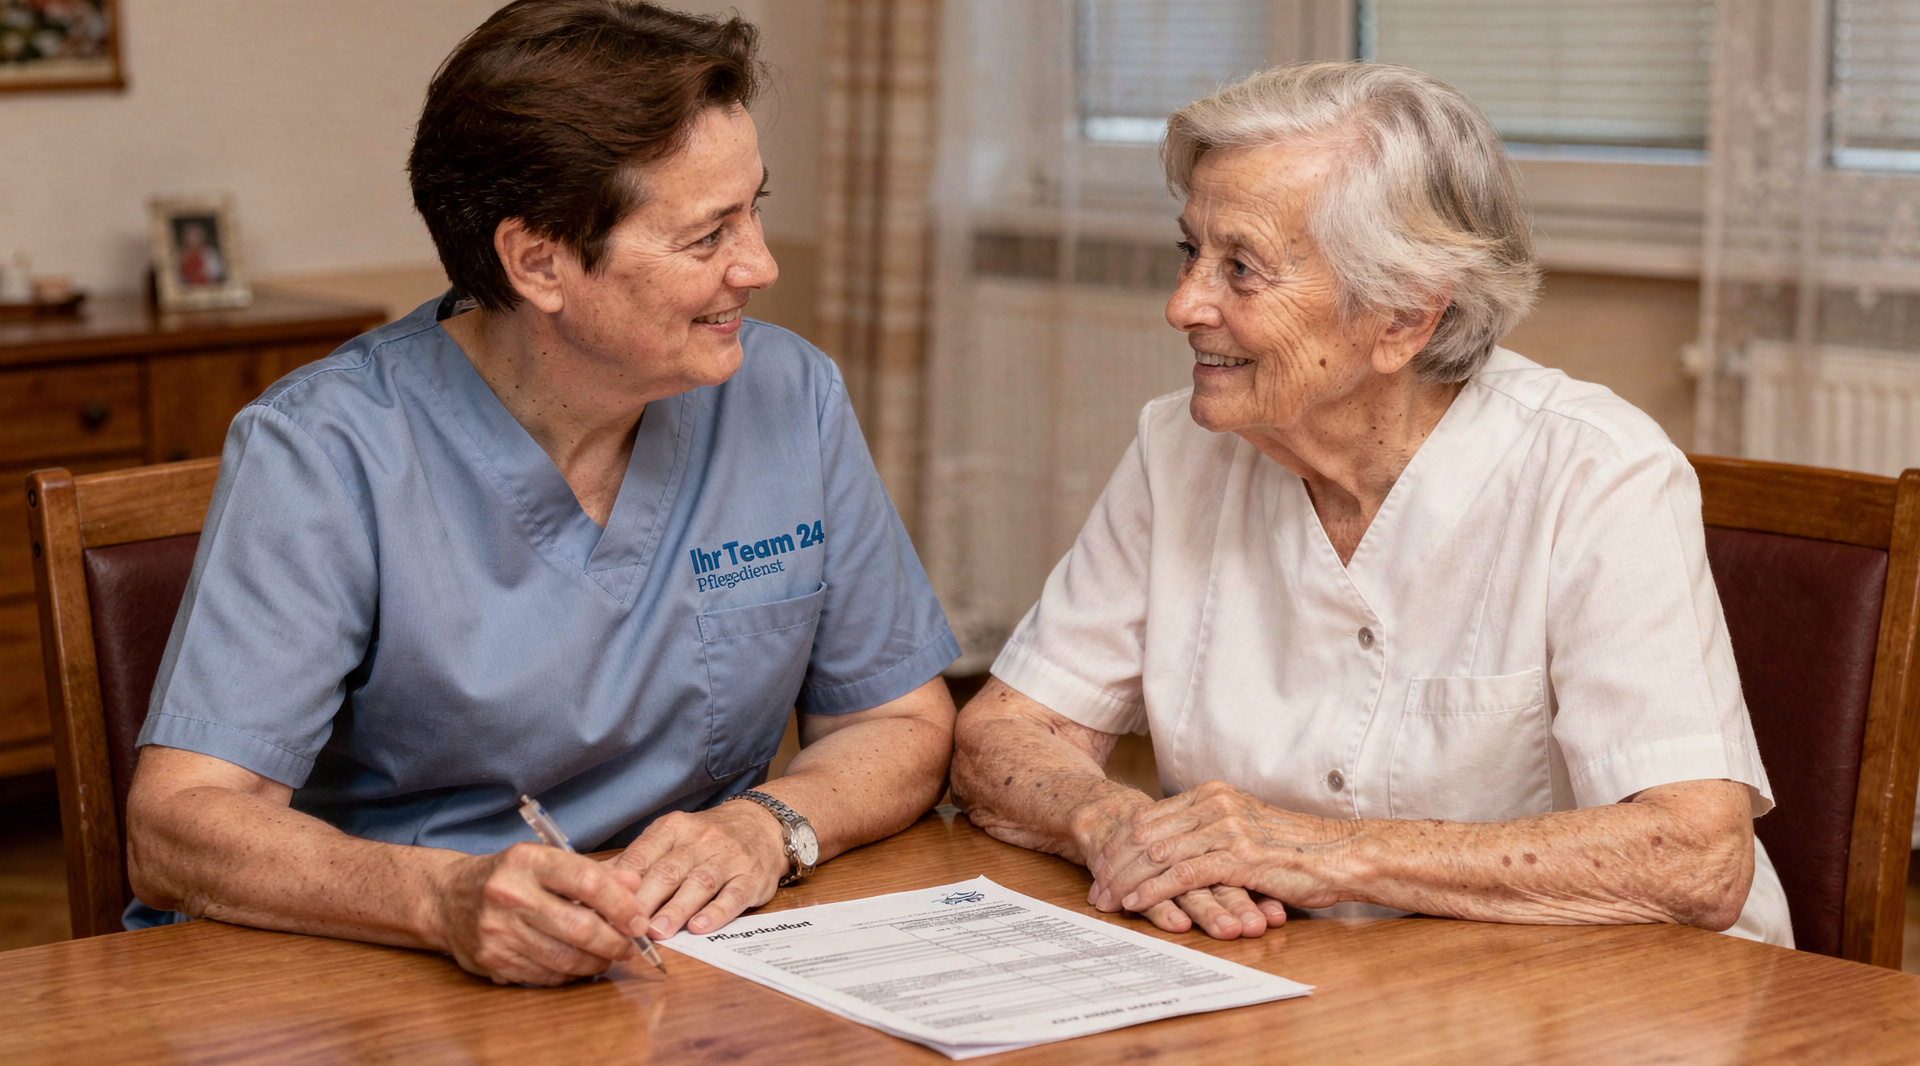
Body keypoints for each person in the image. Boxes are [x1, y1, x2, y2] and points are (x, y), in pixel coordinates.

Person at [123, 0, 960, 987]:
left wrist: (766, 824)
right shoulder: (325, 451)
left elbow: (898, 720)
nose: (762, 264)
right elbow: (178, 825)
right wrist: (442, 899)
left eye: (755, 207)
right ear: (538, 260)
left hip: (691, 969)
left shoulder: (788, 395)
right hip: (382, 980)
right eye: (706, 237)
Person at [952, 62, 1792, 947]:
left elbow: (1695, 855)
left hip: (1611, 1006)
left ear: (1402, 318)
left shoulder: (1594, 472)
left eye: (1241, 268)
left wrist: (1322, 855)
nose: (1183, 304)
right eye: (1189, 252)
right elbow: (1005, 731)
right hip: (1305, 978)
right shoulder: (1179, 450)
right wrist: (1118, 827)